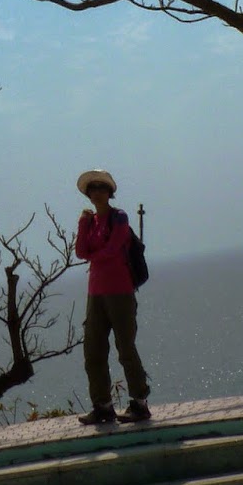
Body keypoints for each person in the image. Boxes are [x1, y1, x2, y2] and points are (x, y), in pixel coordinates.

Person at [75, 168, 151, 426]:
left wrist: (93, 256)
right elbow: (80, 251)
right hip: (96, 293)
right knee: (93, 351)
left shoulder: (119, 218)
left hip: (120, 291)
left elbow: (112, 249)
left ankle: (139, 403)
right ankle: (102, 406)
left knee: (126, 348)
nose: (97, 192)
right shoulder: (91, 221)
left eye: (102, 188)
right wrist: (83, 223)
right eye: (93, 188)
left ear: (110, 192)